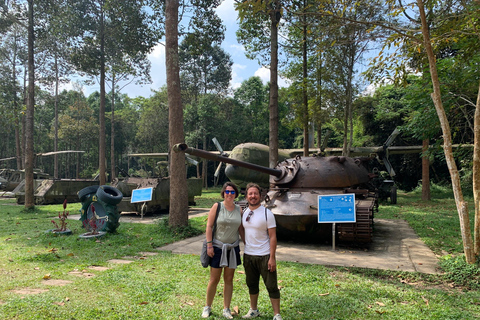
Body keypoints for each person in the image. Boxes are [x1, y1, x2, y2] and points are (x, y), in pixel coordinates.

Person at [241, 183, 282, 320]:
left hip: (264, 255)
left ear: (260, 196)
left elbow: (273, 237)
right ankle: (253, 310)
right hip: (248, 255)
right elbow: (242, 230)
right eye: (250, 194)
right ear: (247, 196)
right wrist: (247, 244)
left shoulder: (267, 213)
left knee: (271, 286)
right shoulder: (245, 212)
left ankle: (276, 314)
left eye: (255, 194)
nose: (253, 196)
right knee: (252, 284)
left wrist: (272, 257)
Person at [202, 182, 242, 319]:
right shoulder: (217, 206)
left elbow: (241, 228)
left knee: (229, 279)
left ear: (235, 194)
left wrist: (249, 243)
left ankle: (226, 308)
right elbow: (209, 226)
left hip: (232, 248)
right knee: (214, 279)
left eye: (232, 192)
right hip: (218, 247)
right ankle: (207, 306)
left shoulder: (239, 209)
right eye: (227, 191)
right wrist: (209, 245)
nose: (229, 194)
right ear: (223, 193)